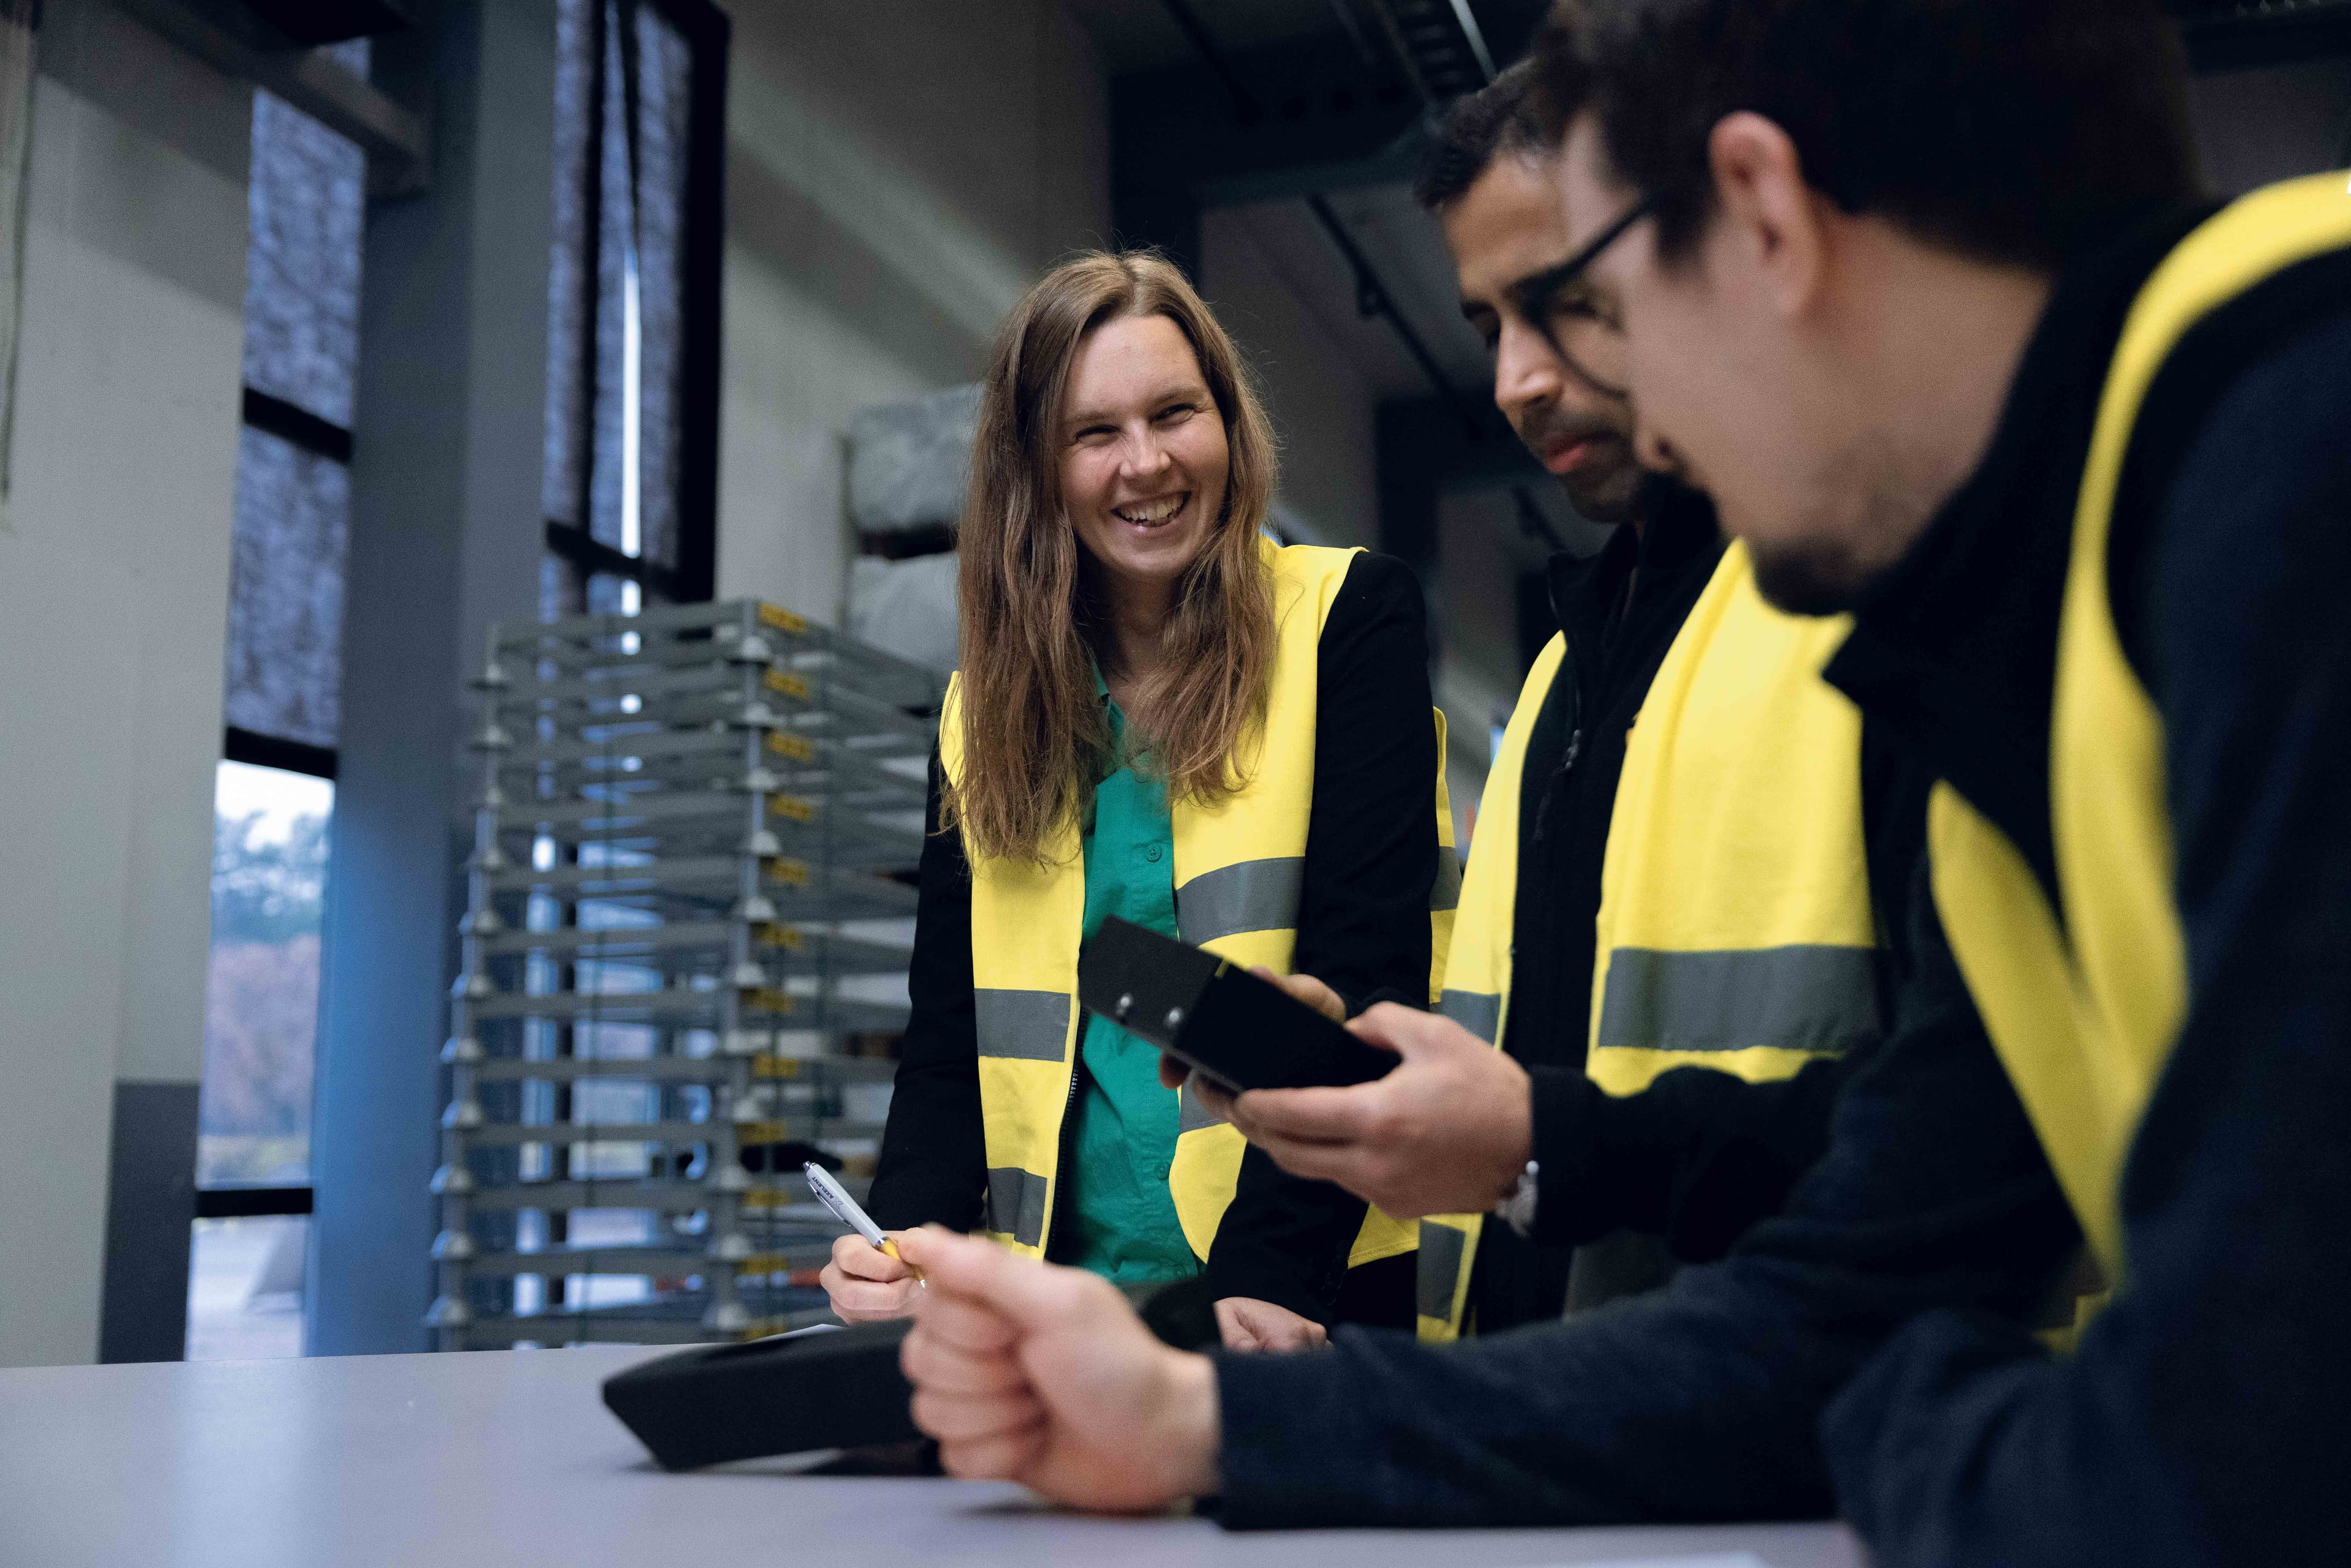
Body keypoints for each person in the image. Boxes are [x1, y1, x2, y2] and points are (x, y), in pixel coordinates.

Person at [893, 3, 2348, 1559]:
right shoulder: (2042, 617)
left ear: (1766, 217)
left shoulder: (2295, 463)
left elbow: (2225, 1459)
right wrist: (1197, 1423)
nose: (1587, 395)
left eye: (1600, 303)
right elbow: (1847, 1298)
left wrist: (1901, 1404)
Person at [1194, 58, 1927, 1340]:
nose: (1516, 385)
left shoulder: (1894, 601)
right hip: (1566, 1408)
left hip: (1848, 1453)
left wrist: (1537, 1148)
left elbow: (1989, 1131)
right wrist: (1371, 1076)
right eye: (1489, 330)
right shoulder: (1557, 676)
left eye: (1569, 307)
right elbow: (1558, 1052)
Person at [823, 250, 1453, 1353]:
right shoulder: (983, 714)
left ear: (1229, 424)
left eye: (1177, 413)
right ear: (1038, 469)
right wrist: (908, 1244)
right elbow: (948, 1045)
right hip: (1065, 1316)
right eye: (1094, 432)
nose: (1147, 463)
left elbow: (1364, 975)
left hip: (1309, 1292)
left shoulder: (1348, 622)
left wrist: (1275, 1281)